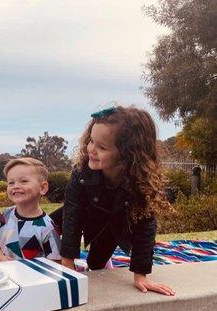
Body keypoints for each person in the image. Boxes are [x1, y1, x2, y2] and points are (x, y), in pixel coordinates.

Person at [55, 105, 175, 296]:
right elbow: (72, 215)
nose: (91, 150)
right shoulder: (81, 173)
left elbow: (145, 227)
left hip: (112, 226)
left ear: (127, 155)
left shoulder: (139, 184)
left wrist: (141, 275)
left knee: (95, 265)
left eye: (101, 147)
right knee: (47, 228)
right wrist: (67, 266)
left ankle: (97, 263)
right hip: (84, 212)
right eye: (91, 141)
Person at [0, 158, 61, 262]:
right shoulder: (6, 216)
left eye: (24, 181)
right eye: (11, 183)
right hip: (6, 275)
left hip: (34, 277)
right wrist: (1, 259)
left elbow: (55, 261)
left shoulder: (48, 228)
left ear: (43, 188)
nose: (16, 186)